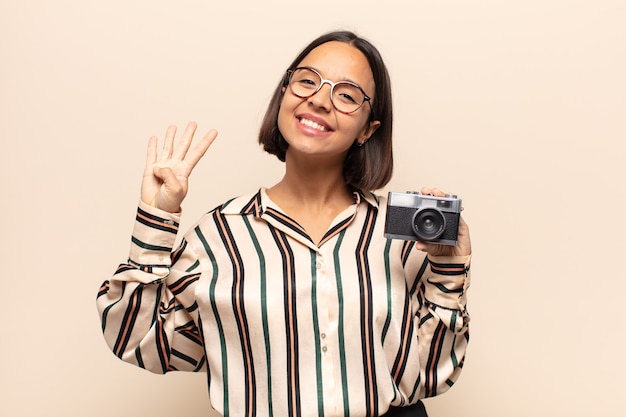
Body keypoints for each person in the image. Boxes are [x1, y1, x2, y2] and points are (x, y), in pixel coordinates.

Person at [96, 30, 472, 417]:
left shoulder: (402, 236)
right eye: (308, 81)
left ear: (368, 129)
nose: (320, 100)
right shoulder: (219, 236)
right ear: (285, 94)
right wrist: (156, 217)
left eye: (345, 95)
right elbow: (137, 338)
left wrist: (449, 267)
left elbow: (428, 373)